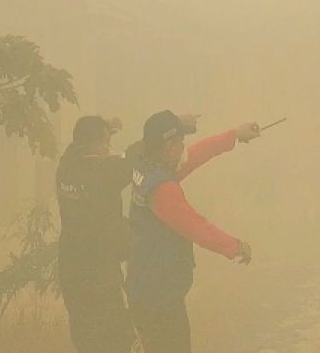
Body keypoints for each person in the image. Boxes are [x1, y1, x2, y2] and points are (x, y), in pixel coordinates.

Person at [125, 110, 257, 353]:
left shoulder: (147, 165)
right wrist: (234, 247)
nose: (184, 146)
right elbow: (196, 227)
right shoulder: (163, 190)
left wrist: (234, 135)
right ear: (167, 147)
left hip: (147, 287)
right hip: (158, 296)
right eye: (178, 142)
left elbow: (194, 156)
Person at [55, 115, 136, 353]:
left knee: (85, 337)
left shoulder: (65, 169)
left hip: (71, 270)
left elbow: (73, 150)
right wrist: (172, 125)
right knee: (116, 338)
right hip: (100, 271)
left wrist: (103, 131)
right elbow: (138, 158)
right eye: (105, 143)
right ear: (90, 144)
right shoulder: (107, 171)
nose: (108, 148)